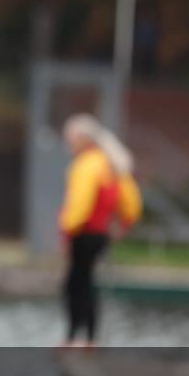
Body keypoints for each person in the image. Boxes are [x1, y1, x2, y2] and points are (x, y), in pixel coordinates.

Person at [57, 114, 142, 348]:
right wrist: (124, 224)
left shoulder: (86, 165)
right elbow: (132, 203)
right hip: (101, 234)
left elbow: (80, 206)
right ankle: (90, 339)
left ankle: (73, 337)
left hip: (83, 234)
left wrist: (66, 230)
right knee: (88, 283)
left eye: (70, 139)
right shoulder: (111, 164)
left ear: (83, 140)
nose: (69, 144)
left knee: (75, 285)